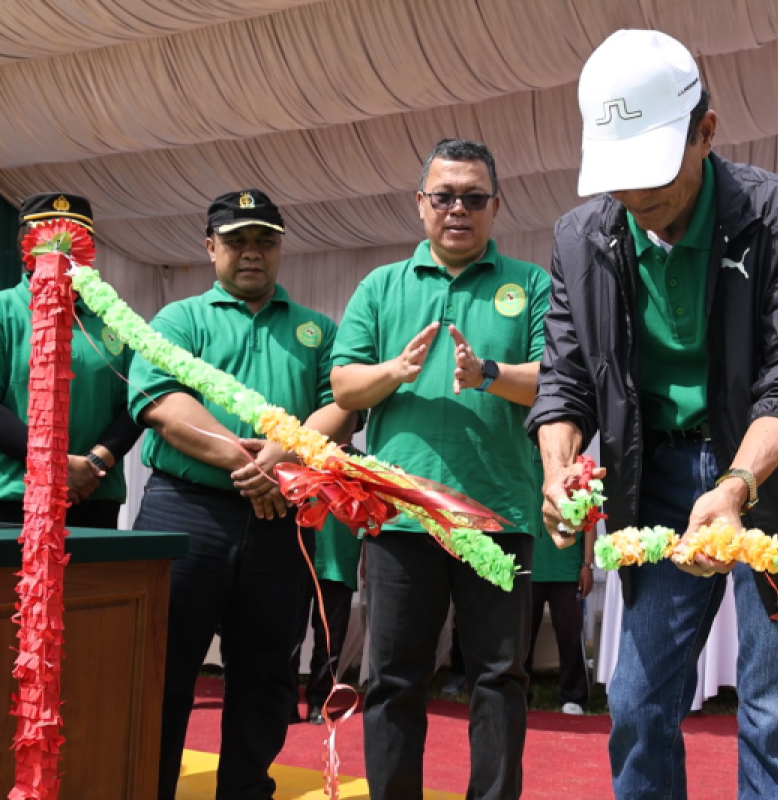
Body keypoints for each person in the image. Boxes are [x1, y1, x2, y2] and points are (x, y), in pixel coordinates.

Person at [525, 30, 778, 799]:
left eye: (654, 178)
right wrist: (558, 469)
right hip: (655, 479)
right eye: (619, 181)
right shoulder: (579, 239)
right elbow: (565, 377)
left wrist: (739, 482)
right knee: (640, 703)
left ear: (706, 131)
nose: (639, 203)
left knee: (776, 710)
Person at [332, 137, 549, 800]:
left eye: (474, 197)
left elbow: (554, 382)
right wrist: (395, 372)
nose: (459, 209)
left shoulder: (531, 284)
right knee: (393, 677)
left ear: (496, 206)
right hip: (401, 516)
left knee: (499, 676)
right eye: (445, 196)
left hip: (498, 513)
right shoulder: (382, 286)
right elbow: (343, 386)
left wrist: (487, 373)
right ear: (421, 204)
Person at [129, 189, 357, 800]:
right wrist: (244, 461)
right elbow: (163, 406)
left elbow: (340, 406)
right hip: (185, 512)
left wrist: (279, 458)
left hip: (282, 518)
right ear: (210, 248)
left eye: (264, 240)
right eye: (236, 241)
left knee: (266, 673)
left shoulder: (317, 329)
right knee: (163, 669)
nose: (251, 253)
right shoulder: (179, 320)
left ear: (281, 247)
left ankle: (246, 791)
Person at [0, 193, 140, 528]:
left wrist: (93, 463)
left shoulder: (114, 319)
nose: (59, 246)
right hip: (7, 497)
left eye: (72, 235)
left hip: (94, 494)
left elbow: (138, 403)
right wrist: (56, 466)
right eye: (46, 235)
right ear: (24, 242)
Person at [523, 458, 593, 715]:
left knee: (570, 636)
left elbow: (589, 521)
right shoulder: (524, 457)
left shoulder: (581, 467)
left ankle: (573, 696)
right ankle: (518, 692)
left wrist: (587, 565)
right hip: (529, 567)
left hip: (567, 569)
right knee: (521, 637)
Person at [290, 520, 363, 726]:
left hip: (339, 551)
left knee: (331, 638)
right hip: (296, 549)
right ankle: (286, 701)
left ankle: (319, 701)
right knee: (289, 634)